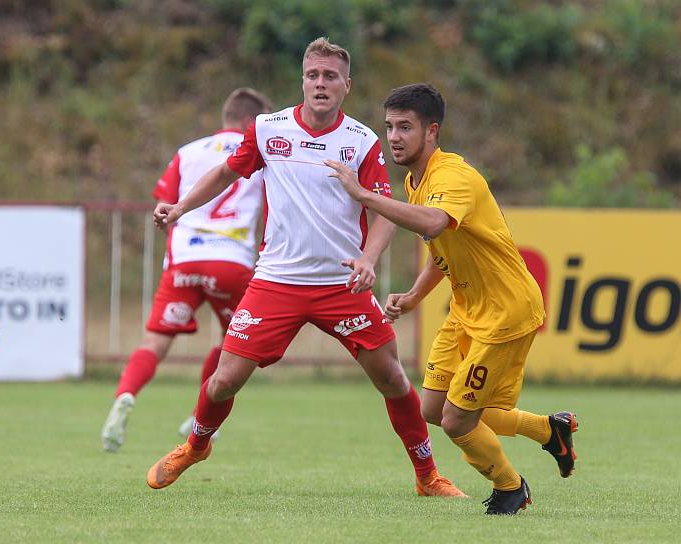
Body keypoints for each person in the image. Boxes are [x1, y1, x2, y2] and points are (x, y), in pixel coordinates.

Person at [146, 38, 465, 498]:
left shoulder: (362, 141)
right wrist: (178, 208)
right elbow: (224, 174)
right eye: (313, 75)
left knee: (393, 379)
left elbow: (384, 209)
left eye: (330, 76)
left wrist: (368, 259)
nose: (321, 83)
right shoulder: (268, 129)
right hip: (276, 281)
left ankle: (427, 476)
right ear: (302, 80)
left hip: (342, 284)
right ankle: (196, 446)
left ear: (346, 86)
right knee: (222, 381)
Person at [327, 83, 579, 515]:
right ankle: (548, 430)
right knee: (435, 408)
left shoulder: (453, 177)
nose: (394, 137)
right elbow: (442, 250)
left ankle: (510, 488)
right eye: (389, 126)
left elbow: (434, 220)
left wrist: (366, 196)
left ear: (432, 132)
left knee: (458, 420)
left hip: (506, 313)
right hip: (467, 310)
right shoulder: (415, 178)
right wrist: (413, 296)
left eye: (405, 127)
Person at [100, 87, 273, 453]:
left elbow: (165, 204)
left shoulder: (188, 151)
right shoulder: (260, 151)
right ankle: (200, 417)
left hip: (184, 260)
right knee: (239, 346)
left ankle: (125, 396)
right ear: (248, 123)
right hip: (230, 261)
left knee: (155, 343)